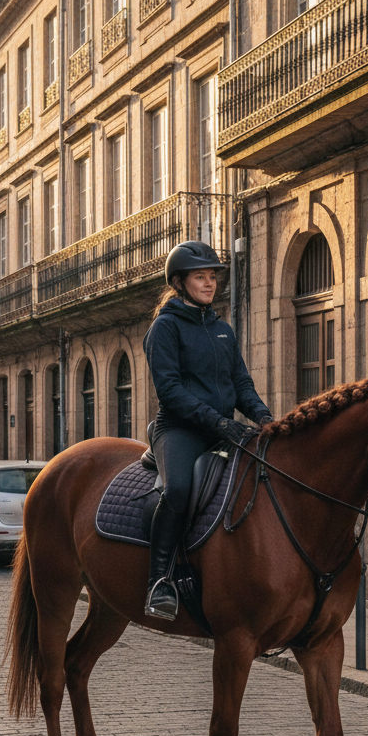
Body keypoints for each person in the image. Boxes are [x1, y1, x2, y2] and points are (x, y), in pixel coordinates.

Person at [141, 241, 273, 620]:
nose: (209, 283)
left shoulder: (222, 330)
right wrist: (219, 423)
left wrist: (265, 418)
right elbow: (171, 392)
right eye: (200, 276)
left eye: (212, 276)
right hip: (179, 430)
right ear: (179, 282)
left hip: (223, 430)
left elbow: (241, 384)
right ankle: (159, 581)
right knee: (178, 489)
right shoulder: (164, 328)